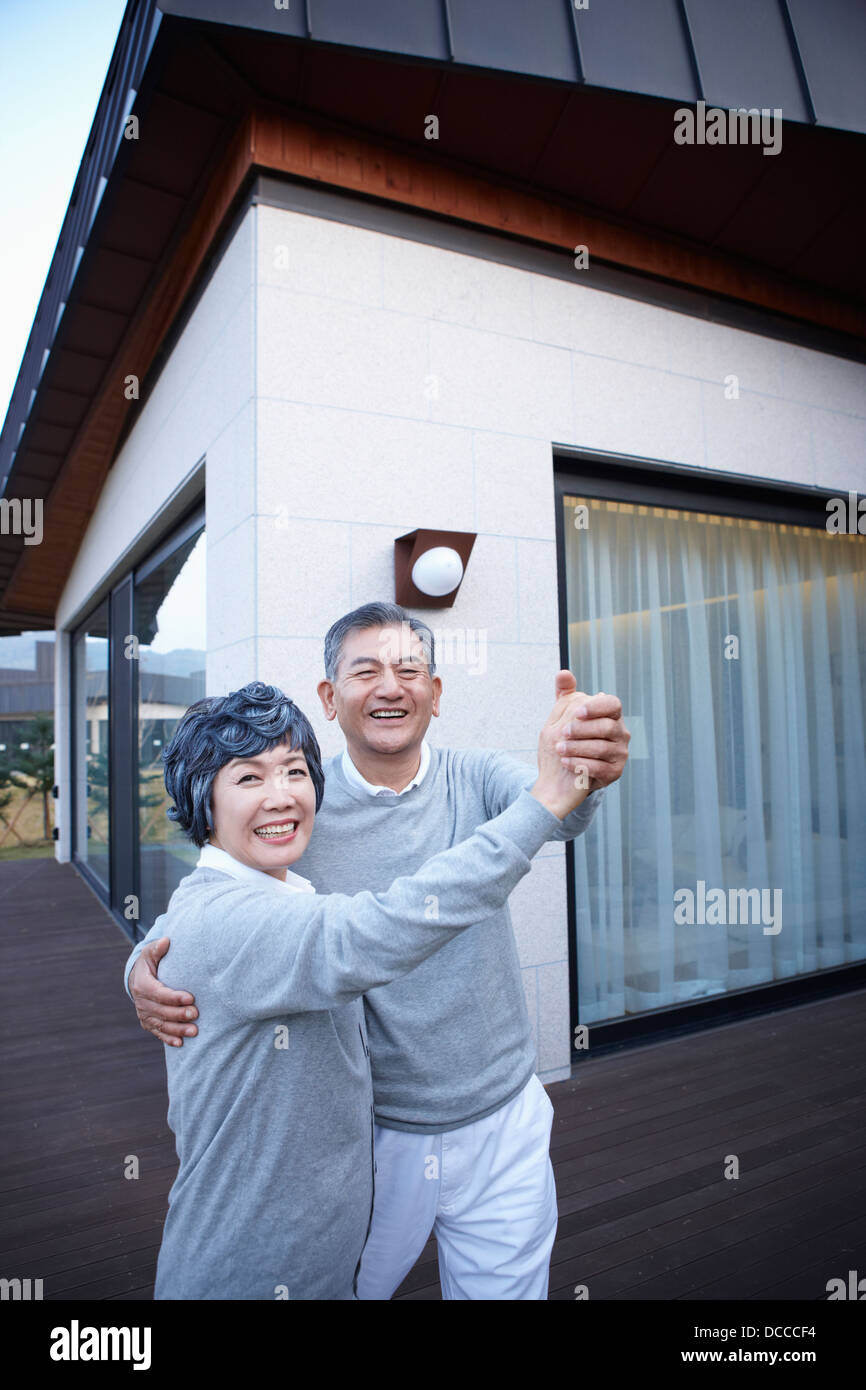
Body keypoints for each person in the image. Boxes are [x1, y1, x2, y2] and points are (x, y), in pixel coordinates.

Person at [128, 602, 630, 1299]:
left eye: (409, 670)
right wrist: (147, 959)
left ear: (436, 692)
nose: (390, 686)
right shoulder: (302, 810)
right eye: (365, 671)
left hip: (502, 1112)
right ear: (331, 698)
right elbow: (239, 908)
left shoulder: (472, 776)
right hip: (375, 1132)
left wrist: (577, 775)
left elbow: (556, 814)